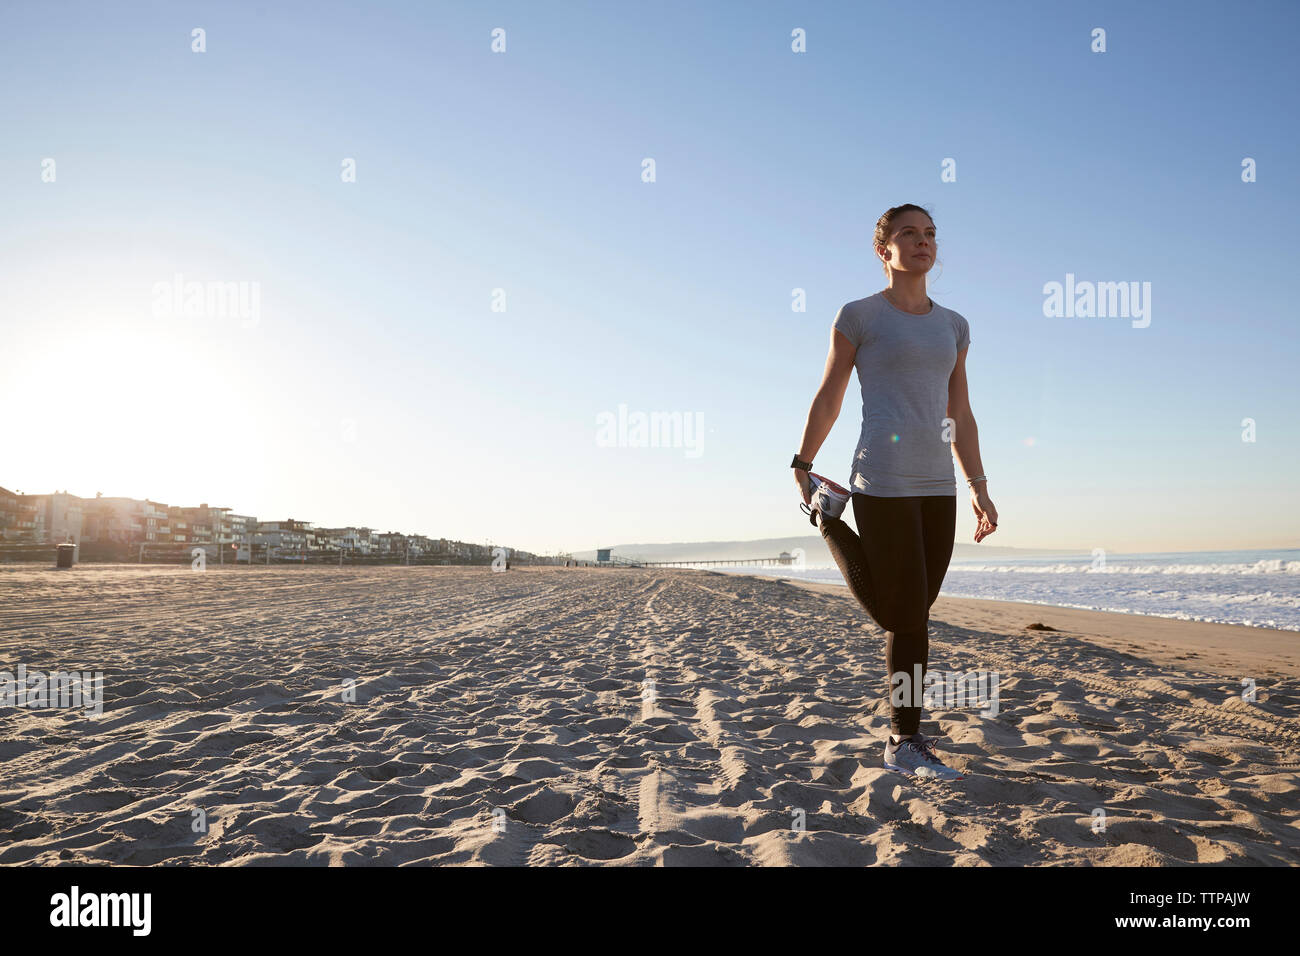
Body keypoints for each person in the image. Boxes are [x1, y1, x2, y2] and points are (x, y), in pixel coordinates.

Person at [791, 203, 998, 781]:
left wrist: (979, 486)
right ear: (884, 249)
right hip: (881, 477)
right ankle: (903, 741)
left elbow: (960, 410)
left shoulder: (954, 325)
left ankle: (827, 520)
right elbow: (829, 393)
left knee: (912, 612)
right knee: (907, 617)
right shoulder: (859, 316)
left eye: (930, 233)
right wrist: (803, 460)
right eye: (909, 233)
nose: (923, 241)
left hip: (938, 484)